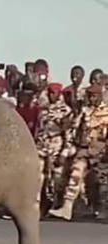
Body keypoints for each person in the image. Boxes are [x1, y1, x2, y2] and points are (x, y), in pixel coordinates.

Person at [50, 83, 108, 220]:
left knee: (103, 182)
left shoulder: (106, 112)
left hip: (102, 153)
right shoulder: (85, 111)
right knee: (75, 173)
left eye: (95, 96)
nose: (93, 99)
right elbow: (75, 130)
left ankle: (103, 209)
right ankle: (67, 207)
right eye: (90, 96)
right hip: (85, 150)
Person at [35, 82, 73, 210]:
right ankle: (37, 203)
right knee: (37, 176)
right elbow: (38, 129)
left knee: (56, 178)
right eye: (50, 92)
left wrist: (64, 153)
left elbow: (68, 134)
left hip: (56, 147)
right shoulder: (43, 108)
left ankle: (56, 204)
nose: (52, 95)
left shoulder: (65, 111)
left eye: (55, 93)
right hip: (41, 147)